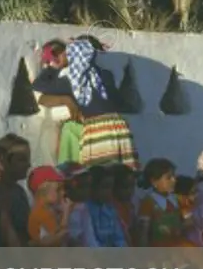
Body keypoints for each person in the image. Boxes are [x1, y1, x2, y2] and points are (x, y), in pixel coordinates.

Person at [32, 39, 139, 169]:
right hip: (118, 128)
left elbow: (38, 85)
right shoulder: (105, 74)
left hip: (98, 130)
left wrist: (53, 68)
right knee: (122, 174)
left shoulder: (71, 81)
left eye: (59, 54)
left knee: (102, 175)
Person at [136, 159, 191, 247]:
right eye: (168, 178)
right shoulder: (148, 203)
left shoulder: (177, 200)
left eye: (174, 177)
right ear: (154, 181)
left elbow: (189, 221)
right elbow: (143, 232)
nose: (174, 180)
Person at [85, 166, 128, 247]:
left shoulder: (110, 210)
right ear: (92, 187)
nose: (109, 192)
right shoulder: (85, 210)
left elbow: (119, 237)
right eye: (105, 187)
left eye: (111, 187)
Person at [26, 166, 68, 247]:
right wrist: (66, 214)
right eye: (58, 189)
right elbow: (47, 242)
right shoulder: (39, 212)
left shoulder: (48, 210)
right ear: (43, 190)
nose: (62, 193)